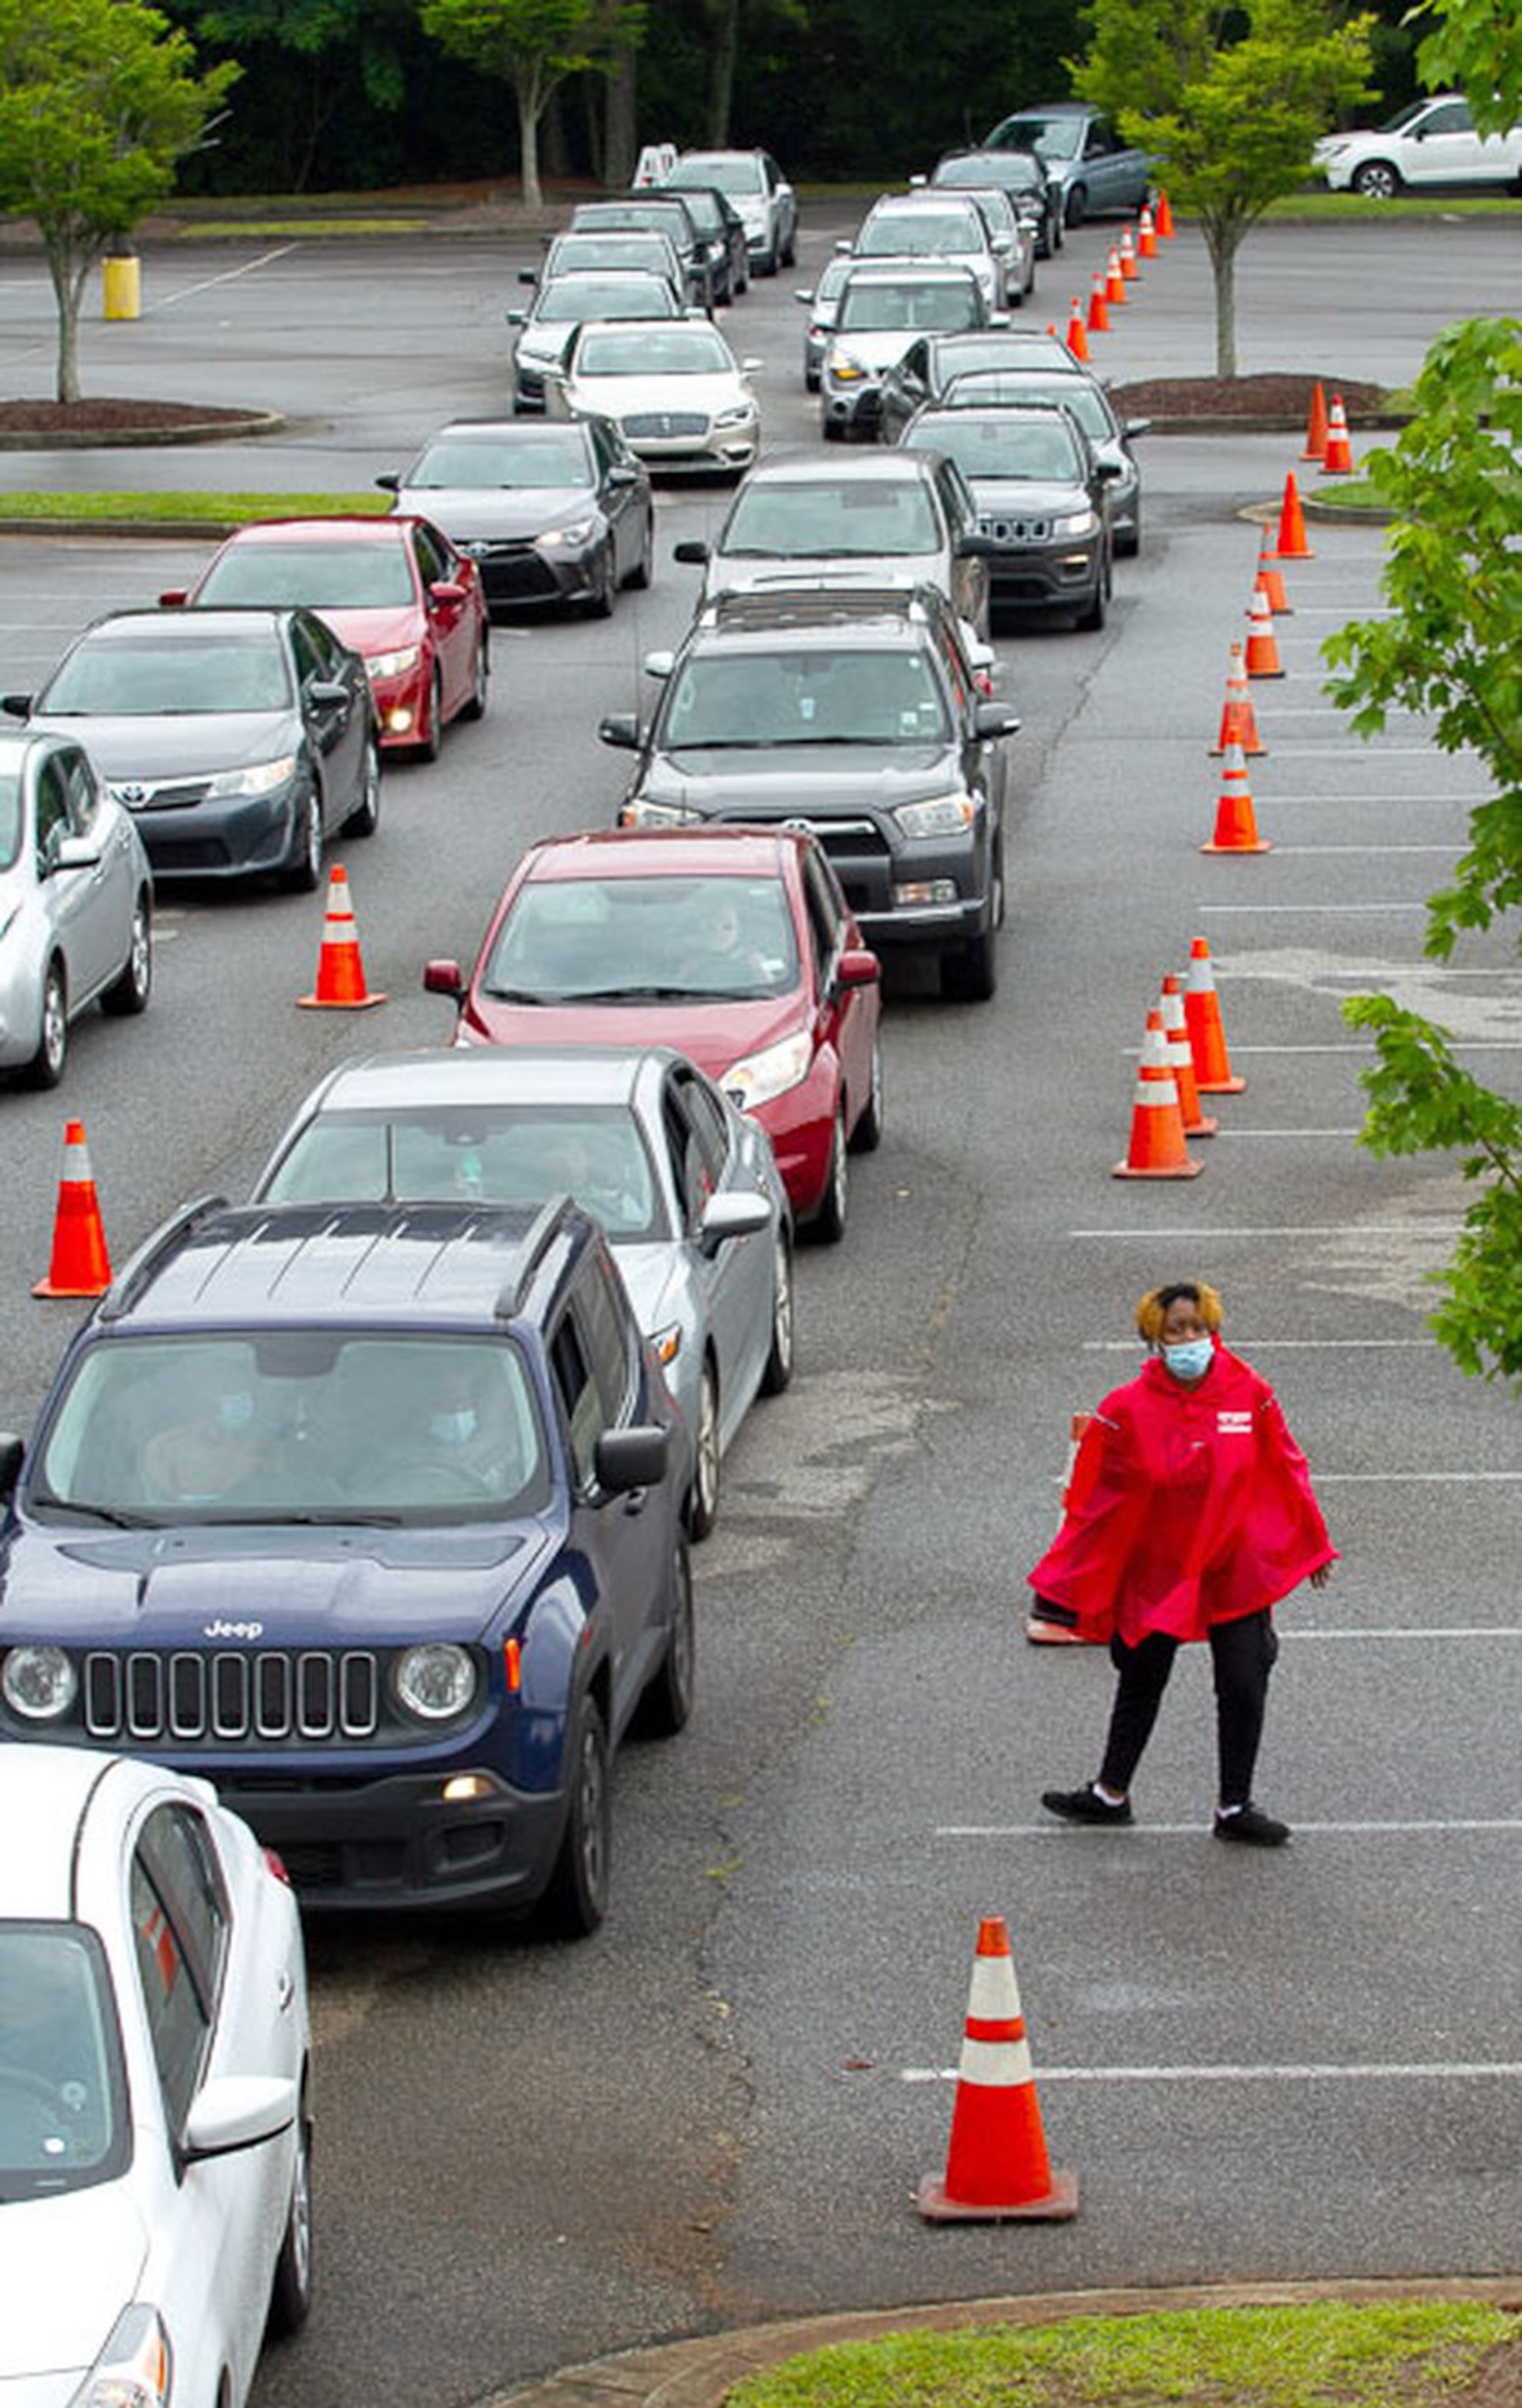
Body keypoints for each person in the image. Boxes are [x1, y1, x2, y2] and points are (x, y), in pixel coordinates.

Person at [1029, 1280, 1336, 1847]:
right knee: (1143, 1674)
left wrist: (1313, 1542)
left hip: (1234, 1564)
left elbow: (1286, 1464)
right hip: (1161, 1568)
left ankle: (1235, 1805)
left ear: (1213, 1329)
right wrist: (1066, 1583)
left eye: (1197, 1327)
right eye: (1176, 1330)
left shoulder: (1250, 1392)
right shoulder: (1125, 1408)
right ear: (1155, 1339)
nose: (1189, 1338)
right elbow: (1093, 1501)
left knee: (1244, 1679)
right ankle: (1109, 1794)